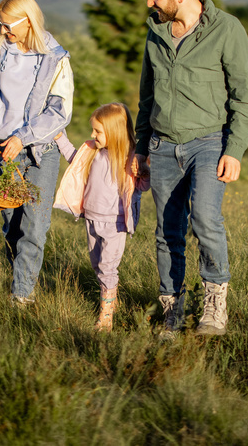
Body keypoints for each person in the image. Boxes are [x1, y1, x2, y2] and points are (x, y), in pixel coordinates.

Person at [133, 0, 248, 338]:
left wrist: (233, 150)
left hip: (208, 142)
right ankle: (173, 309)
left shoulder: (227, 30)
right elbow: (146, 97)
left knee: (204, 218)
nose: (149, 3)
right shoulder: (156, 33)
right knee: (167, 231)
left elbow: (244, 99)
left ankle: (215, 303)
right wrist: (140, 148)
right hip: (162, 145)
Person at [0, 0, 74, 305]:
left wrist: (23, 137)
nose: (3, 31)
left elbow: (59, 111)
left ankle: (21, 295)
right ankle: (19, 276)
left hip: (39, 154)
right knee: (12, 226)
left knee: (34, 226)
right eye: (0, 24)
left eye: (8, 25)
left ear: (28, 22)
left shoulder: (55, 57)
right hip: (0, 152)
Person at [53, 103, 150, 332]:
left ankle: (106, 315)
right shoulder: (92, 151)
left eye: (97, 131)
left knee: (108, 266)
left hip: (115, 223)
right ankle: (111, 299)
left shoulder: (131, 158)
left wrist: (145, 171)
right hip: (91, 218)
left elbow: (142, 186)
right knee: (97, 264)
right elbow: (74, 159)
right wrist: (59, 136)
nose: (92, 135)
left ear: (114, 132)